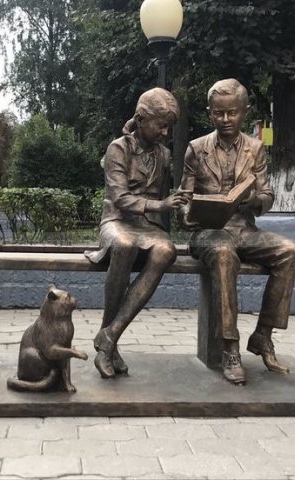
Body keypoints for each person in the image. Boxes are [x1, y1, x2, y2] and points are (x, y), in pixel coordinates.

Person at [178, 79, 295, 385]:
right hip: (208, 233)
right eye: (219, 113)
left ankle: (262, 335)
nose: (225, 119)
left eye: (232, 113)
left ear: (243, 112)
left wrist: (252, 200)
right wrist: (188, 215)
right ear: (210, 114)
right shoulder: (196, 150)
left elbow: (268, 196)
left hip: (244, 229)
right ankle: (230, 348)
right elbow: (183, 199)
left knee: (290, 250)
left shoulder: (256, 149)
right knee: (223, 254)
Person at [86, 88, 187, 379]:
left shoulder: (164, 154)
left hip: (148, 227)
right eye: (161, 125)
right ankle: (109, 344)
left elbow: (166, 198)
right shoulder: (119, 148)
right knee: (125, 245)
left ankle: (109, 336)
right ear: (142, 119)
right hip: (117, 222)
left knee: (167, 251)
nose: (165, 132)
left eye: (169, 126)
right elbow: (119, 197)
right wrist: (160, 204)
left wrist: (185, 210)